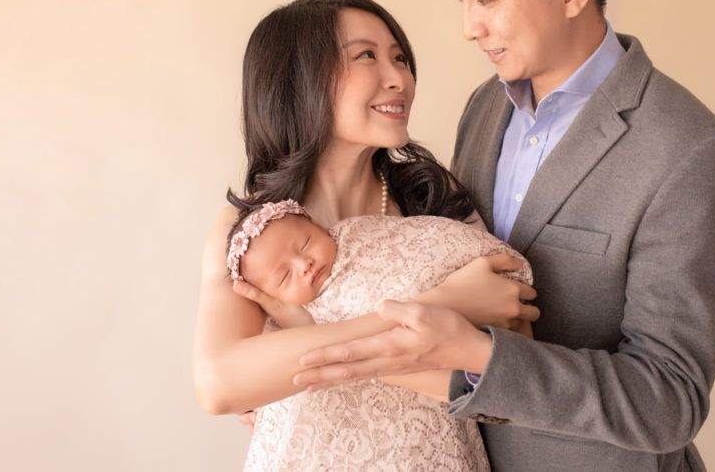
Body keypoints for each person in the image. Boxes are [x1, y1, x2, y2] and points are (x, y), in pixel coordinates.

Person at [292, 0, 715, 472]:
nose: (468, 28)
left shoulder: (691, 152)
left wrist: (480, 355)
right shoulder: (485, 107)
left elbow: (670, 400)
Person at [192, 0, 539, 467]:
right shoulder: (252, 230)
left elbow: (506, 373)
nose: (399, 78)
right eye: (366, 56)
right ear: (300, 82)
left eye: (399, 57)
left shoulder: (435, 199)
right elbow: (220, 384)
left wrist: (303, 345)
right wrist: (438, 310)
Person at [224, 199, 532, 470]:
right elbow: (230, 385)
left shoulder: (371, 235)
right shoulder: (285, 317)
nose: (304, 265)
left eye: (304, 244)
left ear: (316, 224)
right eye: (285, 276)